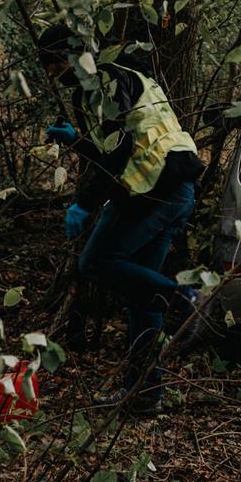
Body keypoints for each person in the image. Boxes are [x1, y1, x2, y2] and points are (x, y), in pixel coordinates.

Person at [38, 23, 204, 417]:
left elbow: (120, 150)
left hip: (154, 189)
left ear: (70, 55)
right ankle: (145, 394)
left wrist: (83, 203)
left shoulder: (105, 81)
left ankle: (187, 298)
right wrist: (76, 140)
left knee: (96, 261)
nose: (51, 74)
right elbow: (111, 147)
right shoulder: (118, 77)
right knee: (143, 296)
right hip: (176, 190)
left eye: (52, 63)